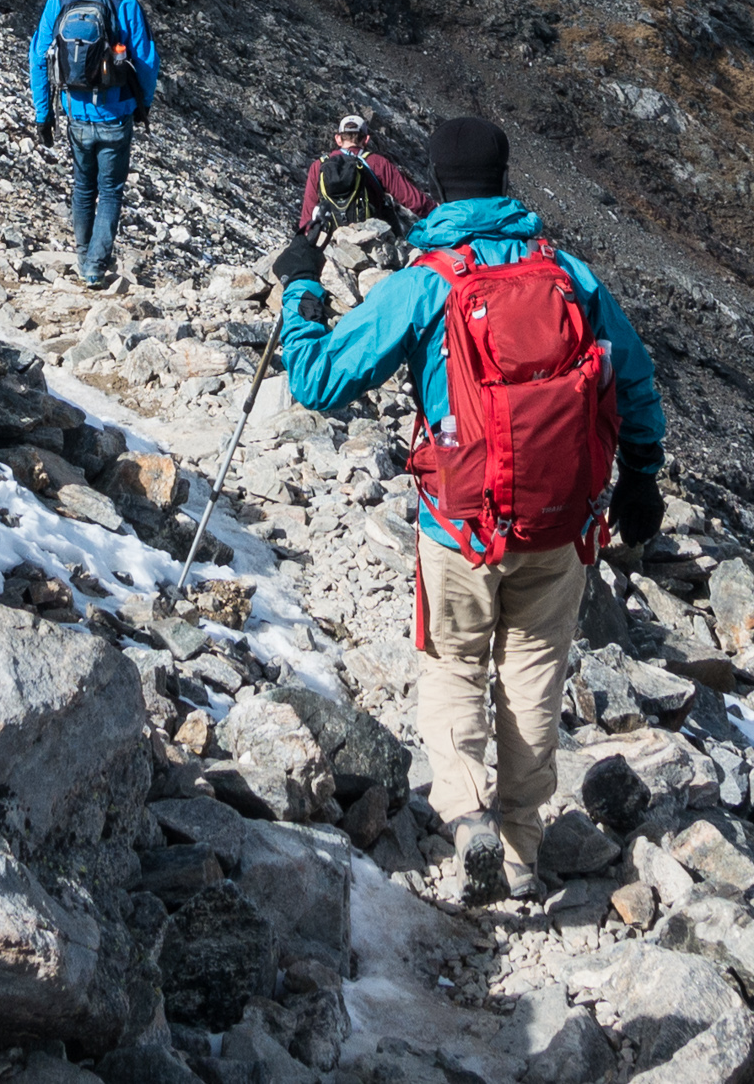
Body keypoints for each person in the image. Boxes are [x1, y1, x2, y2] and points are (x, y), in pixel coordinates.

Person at [270, 115, 666, 904]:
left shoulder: (429, 281)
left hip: (459, 523)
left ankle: (465, 814)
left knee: (454, 663)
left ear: (441, 186)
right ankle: (520, 850)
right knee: (532, 675)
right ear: (507, 176)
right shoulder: (571, 275)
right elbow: (634, 375)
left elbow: (316, 381)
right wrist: (642, 475)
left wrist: (301, 286)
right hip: (561, 525)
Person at [26, 0, 159, 289]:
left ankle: (84, 256)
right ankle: (95, 267)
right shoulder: (125, 4)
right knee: (111, 189)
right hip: (116, 114)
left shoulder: (59, 1)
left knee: (83, 187)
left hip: (75, 113)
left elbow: (39, 58)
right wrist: (143, 104)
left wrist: (44, 114)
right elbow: (146, 62)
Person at [295, 111, 426, 237]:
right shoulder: (377, 163)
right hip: (372, 237)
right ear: (366, 139)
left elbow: (308, 210)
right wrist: (435, 208)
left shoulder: (319, 166)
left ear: (338, 139)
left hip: (332, 238)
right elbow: (412, 200)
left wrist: (306, 236)